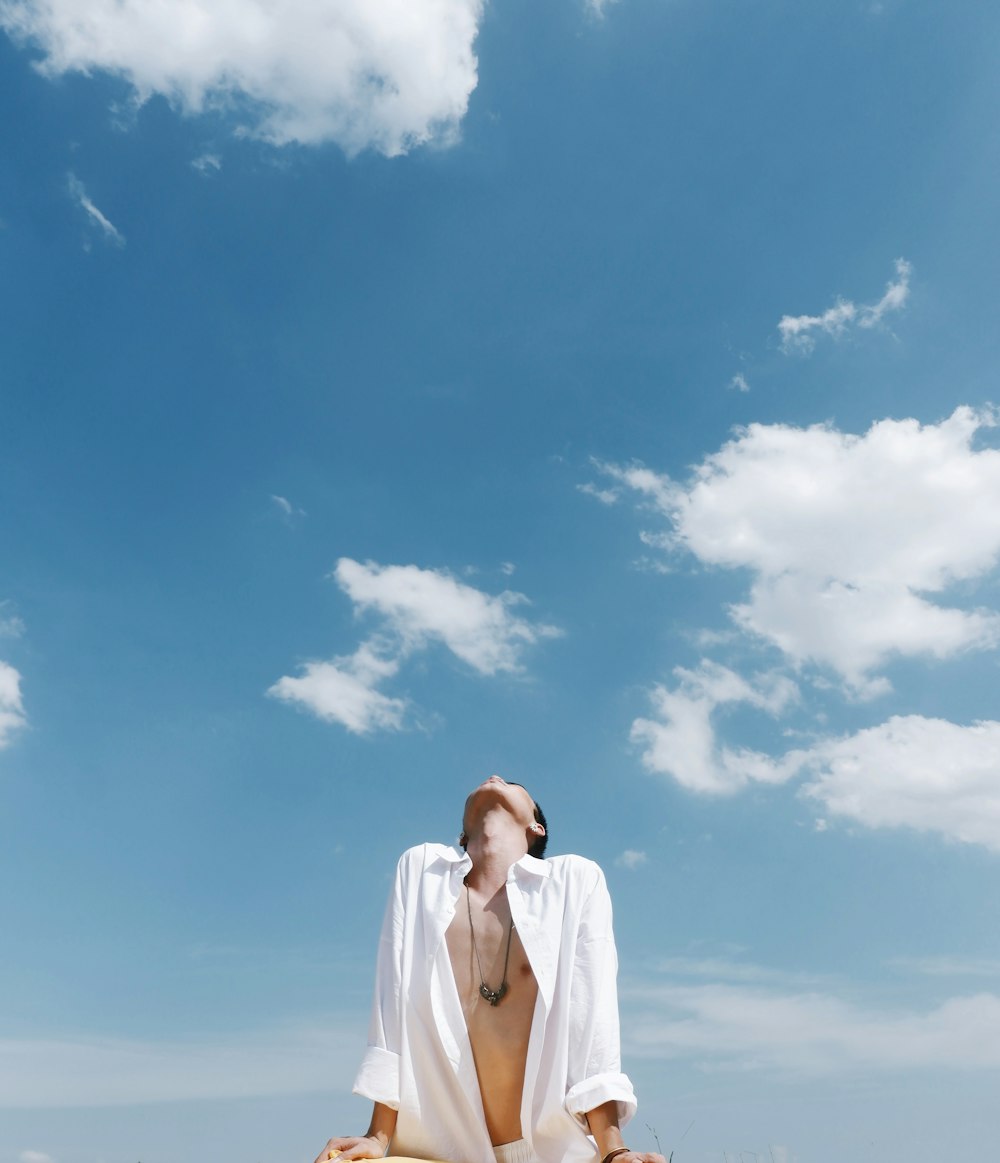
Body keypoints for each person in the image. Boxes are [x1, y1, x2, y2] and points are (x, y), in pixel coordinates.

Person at [314, 775, 664, 1163]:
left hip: (547, 1152)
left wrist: (614, 1150)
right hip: (438, 1152)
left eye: (513, 783)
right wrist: (377, 1137)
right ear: (462, 834)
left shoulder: (573, 880)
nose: (495, 777)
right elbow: (392, 1004)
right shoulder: (421, 871)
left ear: (536, 826)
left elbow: (592, 1023)